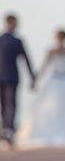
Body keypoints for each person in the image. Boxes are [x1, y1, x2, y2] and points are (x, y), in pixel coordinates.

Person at [0, 14, 36, 148]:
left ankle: (7, 131)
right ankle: (8, 131)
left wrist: (32, 76)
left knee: (6, 105)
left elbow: (26, 59)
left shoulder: (5, 40)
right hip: (11, 77)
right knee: (10, 105)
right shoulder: (16, 41)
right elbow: (26, 59)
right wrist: (32, 77)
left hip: (7, 77)